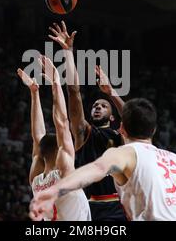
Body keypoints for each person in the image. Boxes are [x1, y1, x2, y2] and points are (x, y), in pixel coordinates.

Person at [30, 98, 176, 221]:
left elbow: (96, 169)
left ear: (122, 129)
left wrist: (56, 189)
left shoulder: (125, 153)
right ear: (154, 130)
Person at [48, 21, 126, 221]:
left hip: (121, 205)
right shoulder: (85, 133)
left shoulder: (121, 135)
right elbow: (74, 93)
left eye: (103, 105)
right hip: (89, 205)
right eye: (95, 106)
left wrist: (112, 92)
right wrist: (67, 52)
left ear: (112, 116)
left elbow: (137, 120)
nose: (97, 107)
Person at [17, 55, 90, 221]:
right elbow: (62, 123)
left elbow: (37, 138)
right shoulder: (65, 173)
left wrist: (34, 93)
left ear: (42, 154)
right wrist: (55, 83)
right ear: (60, 150)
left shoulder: (36, 182)